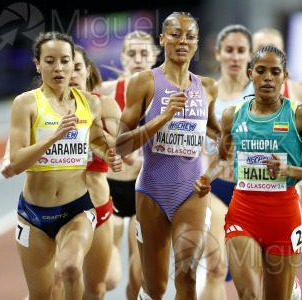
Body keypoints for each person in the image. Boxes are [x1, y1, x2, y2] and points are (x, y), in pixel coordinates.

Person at [194, 45, 302, 300]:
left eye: (275, 72)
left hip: (283, 215)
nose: (268, 77)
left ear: (284, 76)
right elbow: (223, 160)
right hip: (243, 213)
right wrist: (206, 178)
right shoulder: (232, 115)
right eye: (261, 71)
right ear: (250, 74)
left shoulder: (299, 115)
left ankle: (291, 290)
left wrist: (289, 169)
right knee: (249, 295)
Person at [6, 31, 122, 300]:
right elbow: (17, 161)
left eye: (65, 61)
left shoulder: (89, 104)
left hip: (77, 210)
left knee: (71, 269)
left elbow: (94, 140)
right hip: (34, 215)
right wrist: (53, 137)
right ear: (38, 64)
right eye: (49, 61)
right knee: (42, 295)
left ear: (74, 65)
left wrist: (109, 154)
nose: (58, 68)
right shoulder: (26, 104)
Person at [115, 12, 221, 300]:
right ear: (162, 39)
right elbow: (121, 145)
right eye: (175, 34)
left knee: (186, 275)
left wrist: (232, 140)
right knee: (155, 287)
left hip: (192, 192)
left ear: (197, 43)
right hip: (151, 192)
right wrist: (162, 118)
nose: (182, 41)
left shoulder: (208, 87)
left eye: (189, 36)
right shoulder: (144, 83)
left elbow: (215, 132)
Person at [97, 30, 160, 300]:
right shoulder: (106, 92)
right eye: (131, 53)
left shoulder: (165, 94)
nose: (138, 59)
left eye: (144, 53)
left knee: (140, 279)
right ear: (122, 57)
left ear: (155, 57)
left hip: (145, 190)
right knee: (105, 277)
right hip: (111, 188)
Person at [200, 24, 254, 300]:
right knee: (216, 269)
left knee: (248, 275)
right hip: (216, 189)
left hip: (253, 192)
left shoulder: (264, 97)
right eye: (229, 50)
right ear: (218, 53)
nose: (235, 57)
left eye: (241, 51)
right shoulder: (205, 93)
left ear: (250, 55)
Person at [70, 44, 123, 299]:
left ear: (87, 70)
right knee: (63, 277)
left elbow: (121, 149)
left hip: (98, 204)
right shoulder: (43, 108)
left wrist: (90, 121)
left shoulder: (106, 105)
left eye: (77, 67)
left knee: (101, 284)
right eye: (66, 67)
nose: (71, 74)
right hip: (60, 207)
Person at [252, 27, 302, 140]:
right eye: (260, 48)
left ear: (283, 53)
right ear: (250, 54)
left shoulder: (299, 92)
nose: (266, 53)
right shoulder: (241, 92)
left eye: (273, 48)